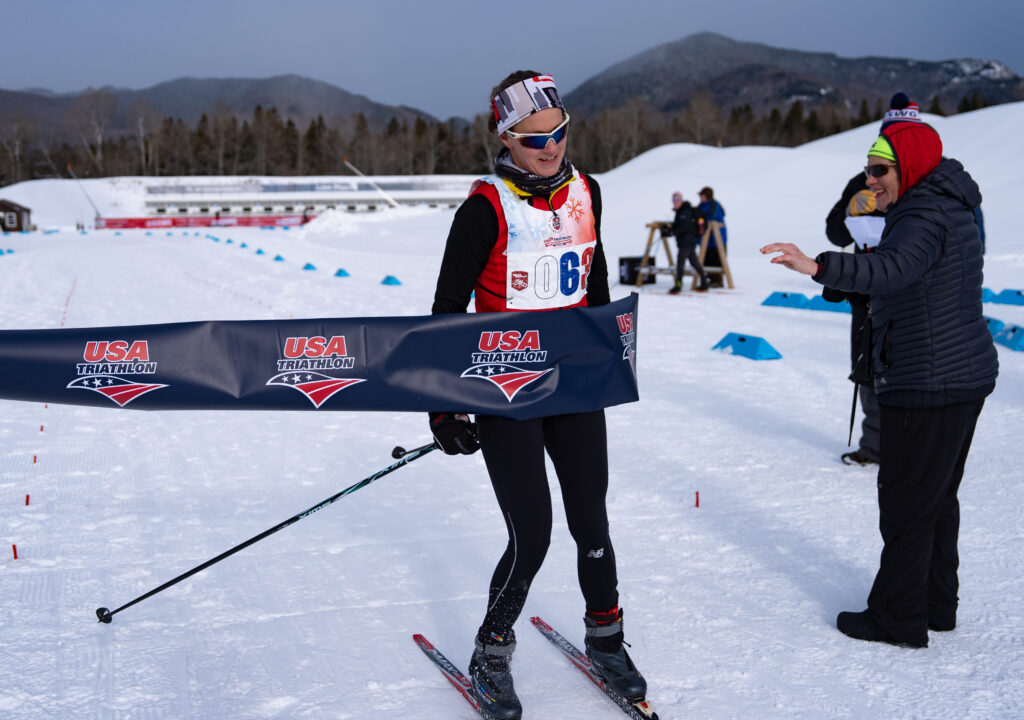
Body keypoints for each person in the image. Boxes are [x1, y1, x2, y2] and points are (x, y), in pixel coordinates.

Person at [429, 71, 649, 719]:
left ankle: (606, 639)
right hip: (508, 391)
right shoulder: (485, 209)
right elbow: (446, 312)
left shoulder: (589, 191)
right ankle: (492, 648)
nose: (549, 148)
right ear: (505, 138)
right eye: (533, 140)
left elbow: (595, 279)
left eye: (557, 134)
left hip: (577, 383)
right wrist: (445, 405)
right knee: (534, 534)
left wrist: (611, 352)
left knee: (593, 524)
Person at [761, 112, 998, 648]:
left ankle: (897, 618)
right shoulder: (943, 202)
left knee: (908, 500)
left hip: (929, 377)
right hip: (959, 372)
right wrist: (846, 285)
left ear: (908, 167)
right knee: (937, 496)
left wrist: (820, 266)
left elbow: (891, 270)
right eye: (868, 170)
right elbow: (911, 280)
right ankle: (935, 604)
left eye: (878, 170)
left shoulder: (922, 213)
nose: (869, 180)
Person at [668, 191, 710, 293]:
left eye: (677, 200)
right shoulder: (681, 211)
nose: (675, 202)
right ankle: (705, 282)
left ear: (681, 200)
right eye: (674, 200)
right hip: (689, 241)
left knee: (680, 263)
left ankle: (678, 285)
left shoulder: (685, 212)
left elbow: (683, 227)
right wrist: (670, 230)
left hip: (686, 242)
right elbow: (680, 225)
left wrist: (672, 232)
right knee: (694, 262)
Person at [697, 186, 727, 281]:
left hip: (716, 240)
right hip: (705, 240)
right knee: (705, 261)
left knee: (716, 261)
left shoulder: (714, 205)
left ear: (707, 196)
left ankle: (717, 281)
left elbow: (710, 218)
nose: (700, 198)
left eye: (702, 195)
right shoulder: (700, 206)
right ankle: (707, 280)